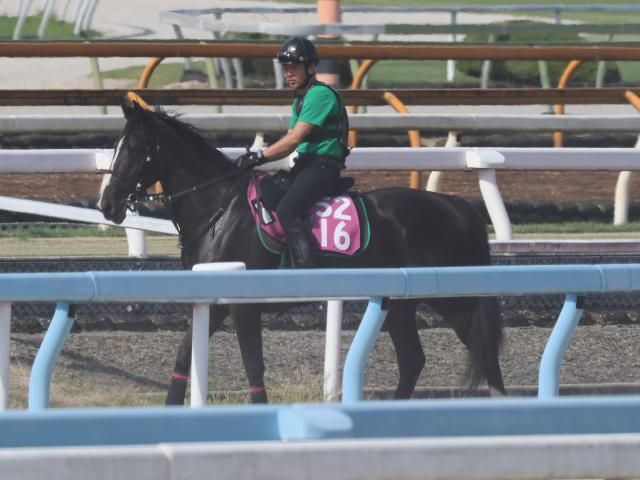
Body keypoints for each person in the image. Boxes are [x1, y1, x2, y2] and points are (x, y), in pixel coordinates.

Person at [237, 37, 349, 268]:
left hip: (322, 169)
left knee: (287, 209)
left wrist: (260, 157)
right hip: (306, 166)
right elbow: (290, 140)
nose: (288, 73)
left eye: (293, 67)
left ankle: (308, 269)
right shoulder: (301, 98)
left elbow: (295, 138)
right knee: (266, 190)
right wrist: (259, 159)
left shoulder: (320, 95)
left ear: (310, 67)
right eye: (285, 68)